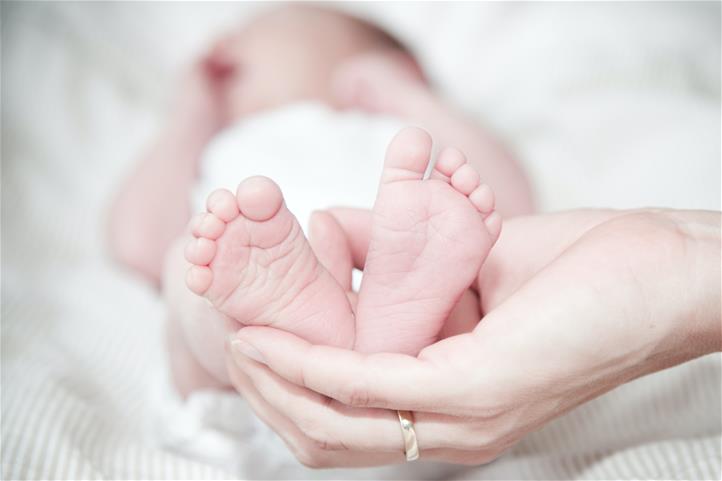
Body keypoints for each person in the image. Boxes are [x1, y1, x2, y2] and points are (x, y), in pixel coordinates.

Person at [109, 5, 534, 396]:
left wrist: (409, 96)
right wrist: (192, 114)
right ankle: (316, 327)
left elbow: (511, 211)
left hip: (433, 396)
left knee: (471, 273)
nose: (222, 45)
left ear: (387, 65)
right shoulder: (217, 143)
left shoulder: (400, 130)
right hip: (251, 398)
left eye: (258, 30)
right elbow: (138, 245)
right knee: (190, 267)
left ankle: (382, 326)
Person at [225, 206, 721, 468]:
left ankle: (333, 333)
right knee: (212, 288)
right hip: (304, 252)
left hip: (307, 253)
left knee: (210, 300)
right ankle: (361, 330)